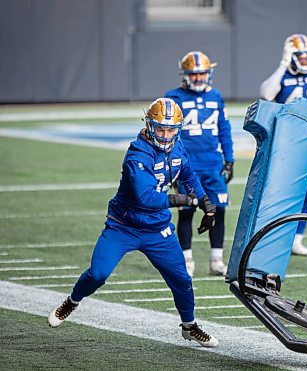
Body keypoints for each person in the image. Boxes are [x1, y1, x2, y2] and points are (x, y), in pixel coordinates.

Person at [47, 98, 219, 347]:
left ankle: (189, 326)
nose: (165, 134)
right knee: (98, 274)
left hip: (157, 228)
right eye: (160, 128)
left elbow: (189, 175)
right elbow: (146, 198)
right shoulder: (138, 154)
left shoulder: (178, 147)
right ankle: (72, 301)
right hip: (123, 226)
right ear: (150, 126)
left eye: (170, 129)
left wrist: (206, 203)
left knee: (182, 279)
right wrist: (185, 200)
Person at [260, 33, 307, 257]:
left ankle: (297, 239)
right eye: (299, 56)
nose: (304, 61)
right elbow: (266, 93)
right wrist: (283, 64)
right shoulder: (283, 75)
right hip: (285, 140)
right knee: (278, 189)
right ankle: (273, 236)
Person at [164, 51, 234, 277]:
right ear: (185, 75)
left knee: (219, 211)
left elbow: (224, 128)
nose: (198, 78)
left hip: (213, 165)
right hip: (186, 166)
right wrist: (171, 164)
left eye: (202, 73)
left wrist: (229, 159)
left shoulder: (216, 96)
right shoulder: (173, 97)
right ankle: (186, 260)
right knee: (186, 212)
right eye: (194, 74)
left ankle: (216, 260)